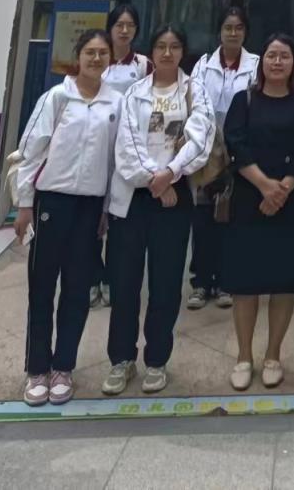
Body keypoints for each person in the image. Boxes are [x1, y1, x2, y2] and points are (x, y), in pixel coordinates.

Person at [102, 25, 215, 397]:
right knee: (124, 283)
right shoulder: (134, 93)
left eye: (175, 46)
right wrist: (156, 180)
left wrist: (170, 175)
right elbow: (126, 146)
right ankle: (122, 359)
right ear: (151, 52)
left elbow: (200, 140)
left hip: (175, 196)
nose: (168, 53)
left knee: (166, 284)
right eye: (161, 46)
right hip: (134, 195)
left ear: (183, 52)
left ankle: (157, 360)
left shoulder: (195, 91)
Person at [16, 28, 123, 406]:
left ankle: (63, 367)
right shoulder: (57, 98)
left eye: (103, 53)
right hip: (52, 203)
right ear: (78, 56)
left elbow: (114, 162)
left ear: (110, 59)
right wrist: (24, 204)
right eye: (90, 52)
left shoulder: (116, 103)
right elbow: (31, 151)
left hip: (90, 207)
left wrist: (106, 210)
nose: (96, 59)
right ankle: (37, 369)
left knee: (77, 291)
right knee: (42, 287)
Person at [221, 34, 294, 391]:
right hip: (249, 202)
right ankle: (243, 356)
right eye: (271, 56)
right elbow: (235, 144)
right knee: (245, 285)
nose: (277, 62)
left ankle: (273, 355)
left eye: (284, 56)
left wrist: (282, 190)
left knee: (283, 283)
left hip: (292, 204)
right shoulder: (244, 100)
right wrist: (265, 186)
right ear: (261, 62)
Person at [187, 5, 259, 311]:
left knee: (234, 217)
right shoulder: (204, 65)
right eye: (228, 27)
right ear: (219, 31)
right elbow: (193, 102)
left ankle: (227, 281)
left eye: (238, 28)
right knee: (203, 219)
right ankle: (201, 282)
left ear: (245, 32)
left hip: (241, 150)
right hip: (208, 153)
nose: (233, 33)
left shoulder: (256, 65)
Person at [88, 3, 150, 310]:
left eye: (130, 25)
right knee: (91, 214)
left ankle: (112, 279)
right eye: (119, 25)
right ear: (110, 27)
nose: (124, 31)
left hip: (127, 149)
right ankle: (91, 276)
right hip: (96, 145)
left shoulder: (143, 64)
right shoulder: (99, 60)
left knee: (117, 215)